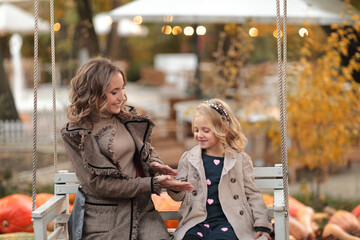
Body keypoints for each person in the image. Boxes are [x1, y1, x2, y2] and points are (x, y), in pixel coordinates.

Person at [61, 57, 193, 240]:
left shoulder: (127, 119)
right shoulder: (76, 133)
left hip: (142, 210)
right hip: (105, 218)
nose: (122, 97)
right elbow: (100, 185)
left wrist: (155, 164)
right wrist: (153, 184)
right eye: (114, 92)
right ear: (94, 94)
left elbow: (145, 151)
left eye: (123, 89)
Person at [168, 99, 273, 240]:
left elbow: (252, 194)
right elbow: (179, 196)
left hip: (230, 222)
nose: (199, 135)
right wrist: (175, 187)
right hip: (197, 221)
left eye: (206, 130)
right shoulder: (189, 159)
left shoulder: (239, 160)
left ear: (223, 130)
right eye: (196, 130)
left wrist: (262, 224)